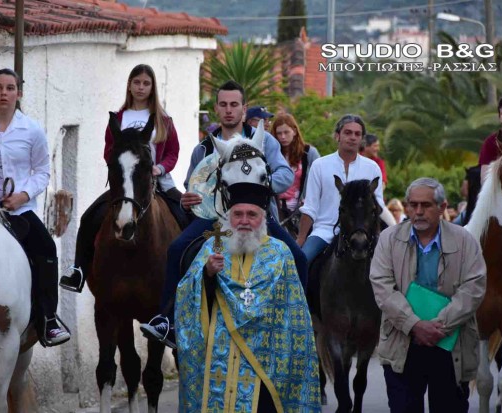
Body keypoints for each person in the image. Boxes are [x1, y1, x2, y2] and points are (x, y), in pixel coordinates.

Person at [140, 80, 305, 349]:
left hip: (259, 218)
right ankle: (167, 320)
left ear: (244, 109)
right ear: (216, 108)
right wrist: (188, 200)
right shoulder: (203, 149)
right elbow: (192, 185)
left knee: (298, 257)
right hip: (214, 219)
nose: (229, 110)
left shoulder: (265, 141)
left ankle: (300, 323)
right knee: (177, 249)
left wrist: (257, 187)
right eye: (224, 105)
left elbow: (285, 174)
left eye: (234, 105)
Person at [175, 181, 321, 412]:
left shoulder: (280, 253)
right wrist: (207, 274)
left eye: (252, 214)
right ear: (228, 217)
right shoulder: (213, 247)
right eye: (238, 214)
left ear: (263, 218)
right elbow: (187, 295)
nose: (244, 220)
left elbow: (294, 314)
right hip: (220, 356)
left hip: (266, 358)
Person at [0, 68, 70, 347]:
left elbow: (43, 171)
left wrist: (23, 195)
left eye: (10, 88)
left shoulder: (32, 130)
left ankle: (48, 319)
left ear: (18, 93)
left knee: (46, 249)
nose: (4, 93)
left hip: (19, 211)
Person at [59, 63, 181, 293]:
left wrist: (160, 168)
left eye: (146, 83)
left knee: (187, 215)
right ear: (129, 85)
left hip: (158, 181)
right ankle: (78, 271)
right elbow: (109, 150)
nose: (141, 87)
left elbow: (173, 152)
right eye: (137, 82)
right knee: (89, 218)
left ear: (152, 87)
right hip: (125, 184)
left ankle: (194, 274)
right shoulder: (118, 118)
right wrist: (118, 168)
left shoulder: (163, 120)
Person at [370, 177, 486, 413]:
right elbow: (382, 286)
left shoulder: (465, 240)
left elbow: (474, 286)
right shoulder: (388, 239)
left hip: (450, 345)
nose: (418, 211)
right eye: (413, 205)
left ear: (442, 207)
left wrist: (439, 326)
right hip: (402, 344)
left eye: (426, 205)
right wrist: (414, 325)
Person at [297, 114, 385, 264]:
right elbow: (310, 207)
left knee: (390, 267)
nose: (352, 137)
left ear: (362, 139)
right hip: (324, 232)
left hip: (363, 234)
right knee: (301, 263)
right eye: (348, 133)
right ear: (337, 136)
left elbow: (378, 207)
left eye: (357, 134)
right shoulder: (319, 165)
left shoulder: (372, 168)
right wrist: (301, 239)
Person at [270, 113, 320, 215]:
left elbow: (321, 178)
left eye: (286, 132)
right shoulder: (270, 154)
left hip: (303, 211)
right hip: (275, 210)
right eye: (279, 133)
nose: (283, 137)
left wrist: (310, 200)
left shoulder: (309, 153)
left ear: (294, 131)